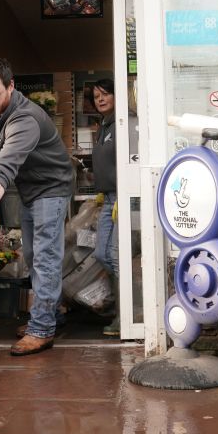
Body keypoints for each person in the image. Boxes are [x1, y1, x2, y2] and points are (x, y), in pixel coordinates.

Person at [0, 56, 74, 356]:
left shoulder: (25, 119)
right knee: (34, 256)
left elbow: (5, 168)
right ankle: (52, 316)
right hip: (30, 190)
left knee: (44, 257)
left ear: (11, 86)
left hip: (52, 188)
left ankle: (42, 329)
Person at [91, 79, 120, 337]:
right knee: (101, 254)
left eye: (105, 94)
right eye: (96, 95)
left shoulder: (122, 122)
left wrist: (125, 195)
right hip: (108, 197)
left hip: (123, 196)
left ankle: (124, 315)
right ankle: (121, 303)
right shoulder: (103, 126)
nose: (100, 99)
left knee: (116, 256)